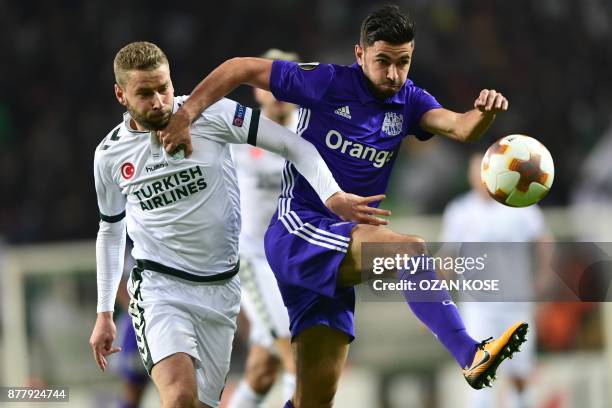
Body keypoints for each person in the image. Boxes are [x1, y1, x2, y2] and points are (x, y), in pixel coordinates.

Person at [159, 6, 528, 407]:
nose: (393, 74)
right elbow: (239, 67)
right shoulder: (327, 82)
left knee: (313, 400)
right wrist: (187, 113)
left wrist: (484, 114)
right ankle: (471, 354)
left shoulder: (410, 102)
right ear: (359, 54)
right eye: (383, 61)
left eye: (403, 62)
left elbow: (460, 126)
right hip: (299, 229)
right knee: (410, 251)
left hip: (333, 254)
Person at [88, 41, 386, 408]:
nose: (158, 101)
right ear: (121, 94)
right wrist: (104, 313)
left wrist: (333, 196)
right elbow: (111, 229)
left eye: (163, 88)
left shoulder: (213, 115)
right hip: (160, 288)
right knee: (179, 397)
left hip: (222, 288)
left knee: (213, 397)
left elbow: (297, 147)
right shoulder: (109, 155)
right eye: (144, 93)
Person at [441, 153, 550, 408]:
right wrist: (433, 300)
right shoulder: (459, 211)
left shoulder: (521, 204)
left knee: (520, 375)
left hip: (516, 303)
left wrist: (544, 279)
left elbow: (544, 241)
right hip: (478, 306)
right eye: (475, 171)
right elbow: (449, 257)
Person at [228, 49, 300, 408]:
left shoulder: (312, 129)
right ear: (257, 90)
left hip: (299, 257)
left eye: (287, 82)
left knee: (261, 371)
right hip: (254, 259)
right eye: (271, 84)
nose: (279, 91)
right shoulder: (239, 132)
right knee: (297, 359)